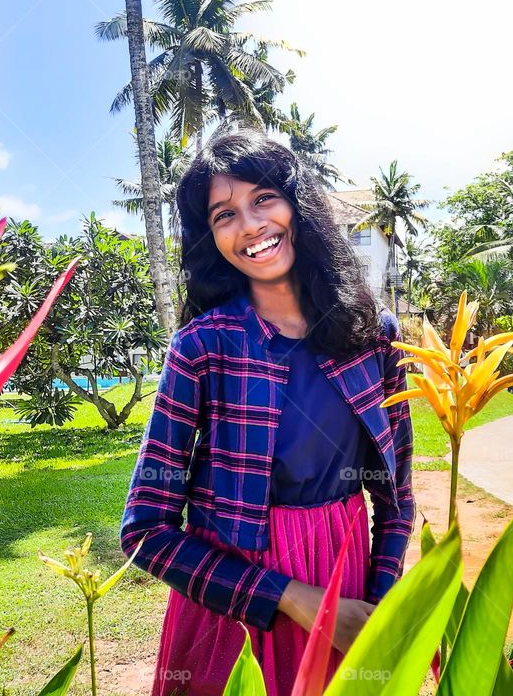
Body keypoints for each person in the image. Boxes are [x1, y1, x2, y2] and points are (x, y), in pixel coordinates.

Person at [120, 129, 415, 696]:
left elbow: (395, 498)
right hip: (234, 611)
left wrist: (373, 607)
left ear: (297, 204)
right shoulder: (202, 348)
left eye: (263, 199)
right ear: (211, 237)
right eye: (224, 214)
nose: (251, 225)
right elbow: (145, 532)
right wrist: (292, 599)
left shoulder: (374, 338)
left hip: (347, 584)